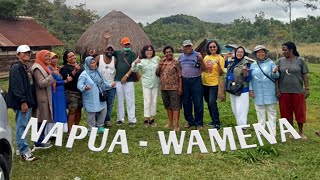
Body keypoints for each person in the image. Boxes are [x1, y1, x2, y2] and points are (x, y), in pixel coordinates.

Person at [7, 45, 36, 161]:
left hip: (27, 100)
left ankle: (22, 147)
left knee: (24, 124)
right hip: (22, 102)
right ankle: (24, 151)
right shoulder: (16, 67)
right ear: (18, 54)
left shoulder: (24, 66)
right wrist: (23, 101)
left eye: (28, 53)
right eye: (24, 53)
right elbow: (16, 86)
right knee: (22, 125)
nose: (27, 55)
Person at [276, 42, 309, 139]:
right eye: (282, 50)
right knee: (286, 112)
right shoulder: (280, 61)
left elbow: (305, 75)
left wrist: (307, 88)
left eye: (285, 50)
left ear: (291, 50)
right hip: (284, 91)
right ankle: (292, 131)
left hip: (298, 91)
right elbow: (276, 77)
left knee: (300, 112)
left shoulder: (300, 61)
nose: (283, 52)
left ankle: (301, 132)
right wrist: (277, 89)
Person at [103, 31, 137, 127]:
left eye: (128, 44)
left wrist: (126, 76)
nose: (127, 45)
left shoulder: (132, 54)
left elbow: (133, 67)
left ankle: (132, 119)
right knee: (120, 99)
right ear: (122, 44)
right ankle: (120, 119)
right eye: (125, 44)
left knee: (130, 99)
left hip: (129, 80)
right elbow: (106, 51)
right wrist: (106, 40)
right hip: (118, 80)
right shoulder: (118, 53)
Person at [77, 56, 116, 134]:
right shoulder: (84, 74)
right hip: (90, 97)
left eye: (94, 62)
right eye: (91, 63)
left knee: (103, 110)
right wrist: (85, 87)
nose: (93, 64)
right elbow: (79, 85)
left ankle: (100, 126)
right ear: (87, 64)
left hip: (100, 95)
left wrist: (109, 85)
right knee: (91, 113)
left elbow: (102, 83)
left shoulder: (97, 72)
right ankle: (91, 129)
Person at [249, 45, 279, 135]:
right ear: (255, 54)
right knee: (259, 110)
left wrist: (274, 72)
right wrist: (251, 89)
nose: (260, 54)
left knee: (271, 111)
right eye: (258, 52)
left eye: (262, 52)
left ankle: (272, 130)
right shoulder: (253, 65)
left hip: (269, 90)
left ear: (265, 53)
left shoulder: (271, 63)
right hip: (257, 90)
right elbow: (251, 79)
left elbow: (277, 76)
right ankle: (261, 130)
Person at [31, 50, 56, 150]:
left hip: (45, 97)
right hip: (41, 97)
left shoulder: (43, 66)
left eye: (49, 56)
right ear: (41, 57)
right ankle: (38, 142)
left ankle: (40, 139)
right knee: (40, 120)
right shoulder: (37, 68)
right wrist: (53, 76)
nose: (49, 58)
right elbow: (41, 83)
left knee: (43, 119)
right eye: (46, 56)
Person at [178, 40, 205, 130]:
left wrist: (202, 60)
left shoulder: (198, 55)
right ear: (183, 47)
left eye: (189, 46)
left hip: (196, 80)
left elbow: (204, 68)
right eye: (186, 46)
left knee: (198, 102)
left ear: (192, 46)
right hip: (185, 81)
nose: (188, 48)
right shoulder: (180, 57)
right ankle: (190, 121)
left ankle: (199, 123)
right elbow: (179, 69)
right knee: (186, 102)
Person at [132, 45, 160, 127]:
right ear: (144, 52)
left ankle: (152, 119)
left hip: (155, 83)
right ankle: (146, 118)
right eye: (147, 50)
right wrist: (135, 62)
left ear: (153, 51)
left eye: (151, 50)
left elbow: (161, 67)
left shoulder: (156, 59)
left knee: (154, 101)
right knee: (147, 101)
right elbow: (134, 69)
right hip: (146, 84)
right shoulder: (142, 61)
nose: (149, 52)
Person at [156, 45, 182, 131]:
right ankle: (170, 122)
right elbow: (157, 73)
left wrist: (180, 87)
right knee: (168, 106)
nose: (168, 54)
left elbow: (179, 76)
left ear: (172, 52)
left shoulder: (176, 62)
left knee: (175, 106)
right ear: (164, 54)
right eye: (166, 52)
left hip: (174, 88)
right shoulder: (162, 62)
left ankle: (176, 125)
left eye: (170, 52)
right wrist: (159, 65)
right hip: (164, 88)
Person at [60, 50, 84, 136]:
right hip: (70, 92)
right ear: (66, 59)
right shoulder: (64, 68)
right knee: (72, 110)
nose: (73, 57)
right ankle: (69, 131)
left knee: (79, 110)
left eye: (73, 55)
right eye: (70, 57)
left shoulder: (80, 66)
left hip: (80, 91)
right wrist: (75, 70)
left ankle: (76, 128)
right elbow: (68, 79)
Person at [226, 46, 251, 129]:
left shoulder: (246, 63)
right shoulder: (231, 62)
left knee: (242, 109)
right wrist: (225, 58)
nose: (239, 53)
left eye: (241, 52)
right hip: (232, 88)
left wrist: (245, 73)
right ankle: (239, 125)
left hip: (242, 89)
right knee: (235, 108)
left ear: (244, 54)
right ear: (235, 53)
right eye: (238, 52)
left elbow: (248, 78)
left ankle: (243, 127)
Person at [201, 40, 225, 130]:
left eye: (214, 46)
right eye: (210, 47)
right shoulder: (206, 57)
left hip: (214, 83)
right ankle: (213, 120)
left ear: (217, 47)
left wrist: (218, 65)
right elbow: (203, 69)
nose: (212, 48)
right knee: (208, 102)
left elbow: (221, 73)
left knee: (212, 102)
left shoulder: (220, 58)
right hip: (204, 83)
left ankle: (217, 123)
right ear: (208, 48)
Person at [49, 52, 72, 133]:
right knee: (57, 110)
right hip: (55, 93)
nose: (55, 60)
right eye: (52, 58)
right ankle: (54, 131)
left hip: (60, 93)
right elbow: (53, 82)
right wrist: (64, 81)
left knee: (61, 109)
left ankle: (60, 129)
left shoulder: (56, 68)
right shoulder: (49, 69)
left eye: (56, 58)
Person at [96, 44, 117, 127]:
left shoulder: (114, 60)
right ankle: (98, 120)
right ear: (104, 50)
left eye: (112, 50)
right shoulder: (99, 58)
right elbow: (92, 65)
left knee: (110, 104)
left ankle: (107, 120)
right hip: (100, 86)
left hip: (112, 86)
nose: (110, 51)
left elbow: (119, 69)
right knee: (100, 103)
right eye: (108, 49)